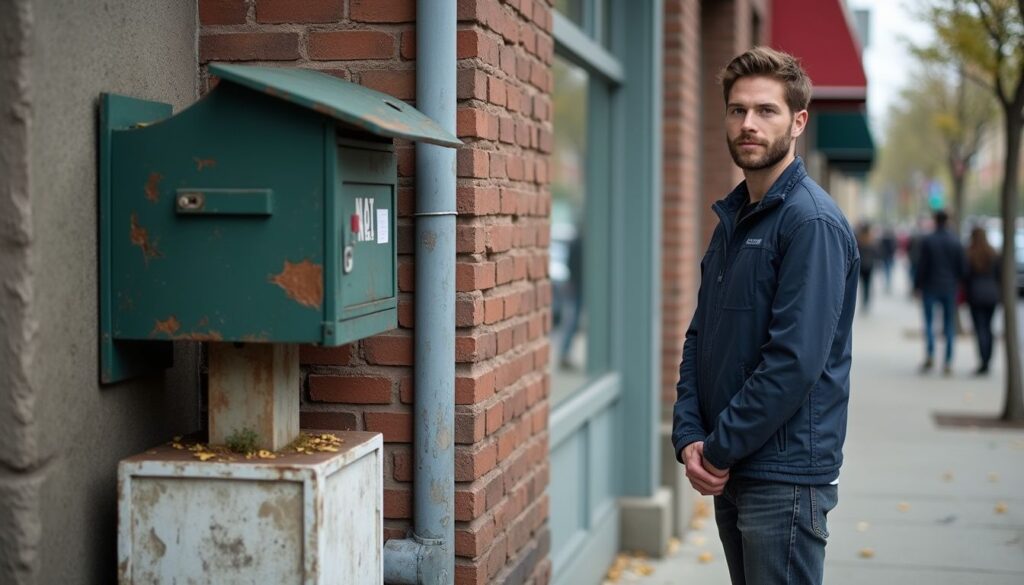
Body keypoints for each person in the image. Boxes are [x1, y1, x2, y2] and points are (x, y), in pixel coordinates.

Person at [671, 47, 859, 585]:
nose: (748, 123)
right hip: (734, 467)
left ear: (798, 121)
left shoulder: (811, 224)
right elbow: (700, 337)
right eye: (737, 110)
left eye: (766, 110)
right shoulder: (734, 219)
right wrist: (688, 434)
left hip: (785, 477)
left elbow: (793, 362)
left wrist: (719, 446)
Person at [913, 209, 965, 375]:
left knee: (929, 323)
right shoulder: (955, 241)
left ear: (935, 220)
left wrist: (917, 285)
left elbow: (921, 266)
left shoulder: (929, 240)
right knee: (948, 325)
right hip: (949, 287)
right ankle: (948, 361)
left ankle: (930, 355)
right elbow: (962, 268)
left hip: (930, 286)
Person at [963, 226, 1000, 375]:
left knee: (980, 329)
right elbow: (999, 275)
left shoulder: (969, 254)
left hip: (975, 295)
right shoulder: (994, 253)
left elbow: (965, 276)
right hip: (992, 295)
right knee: (988, 328)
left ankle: (983, 360)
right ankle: (988, 358)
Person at [856, 222, 878, 312]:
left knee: (862, 285)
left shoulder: (859, 239)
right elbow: (876, 253)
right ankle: (866, 301)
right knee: (867, 285)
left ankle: (864, 302)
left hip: (862, 266)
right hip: (869, 266)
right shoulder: (871, 240)